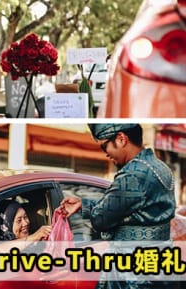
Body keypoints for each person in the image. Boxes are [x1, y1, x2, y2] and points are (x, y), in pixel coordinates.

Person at [61, 124, 176, 289]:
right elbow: (129, 208)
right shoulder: (160, 167)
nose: (105, 153)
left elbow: (101, 219)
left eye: (104, 145)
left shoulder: (132, 175)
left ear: (122, 139)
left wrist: (92, 211)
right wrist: (83, 205)